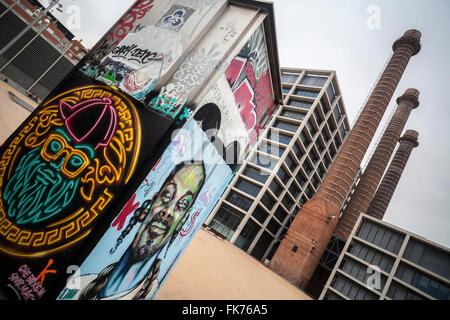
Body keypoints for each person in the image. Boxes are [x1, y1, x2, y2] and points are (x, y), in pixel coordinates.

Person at [78, 161, 205, 300]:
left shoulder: (148, 293)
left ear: (181, 222)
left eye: (183, 204)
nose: (168, 211)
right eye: (167, 196)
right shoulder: (79, 284)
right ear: (147, 207)